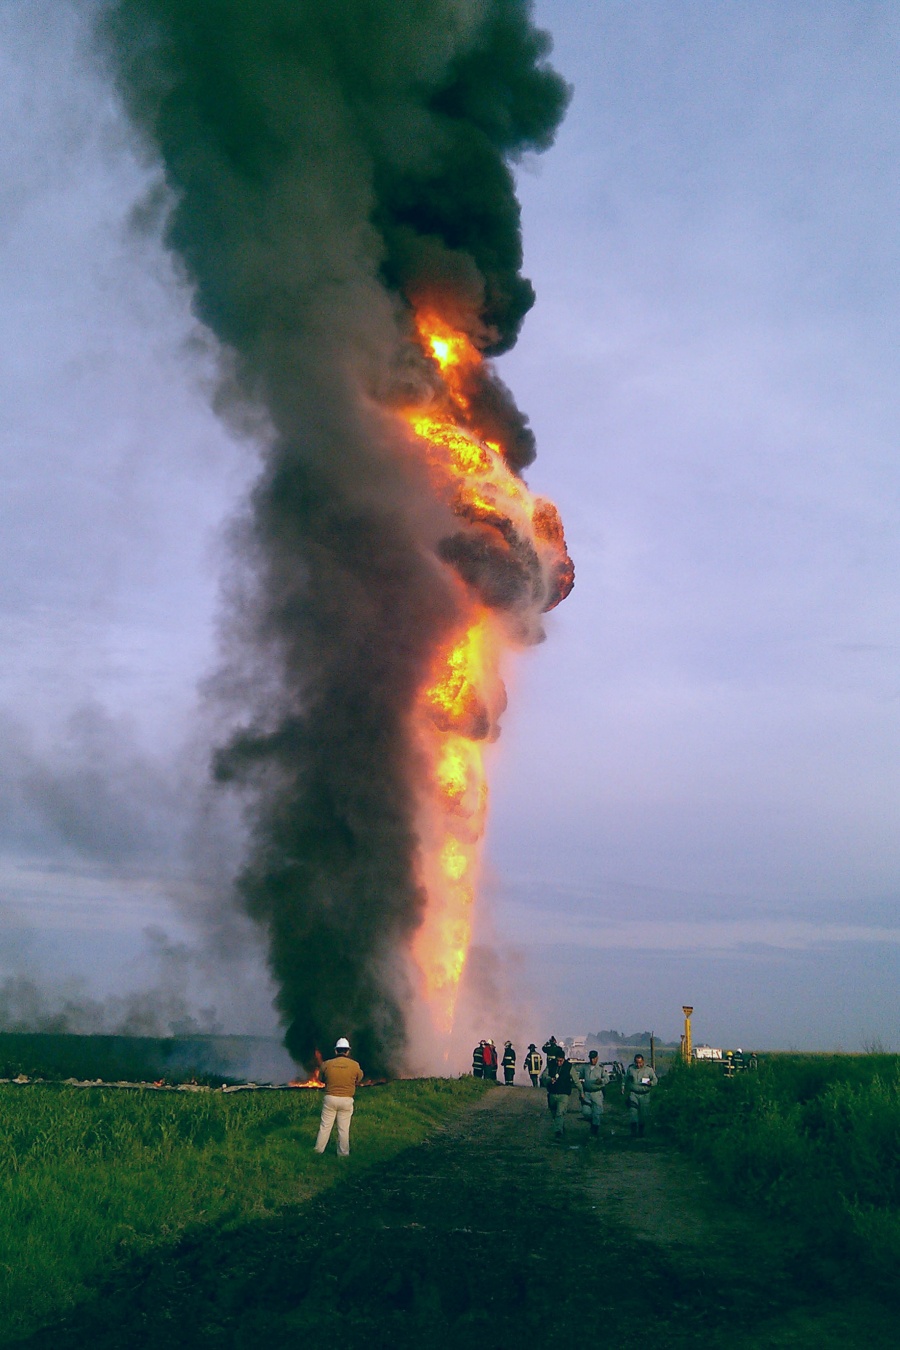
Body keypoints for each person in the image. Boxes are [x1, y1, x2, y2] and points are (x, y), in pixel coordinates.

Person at [313, 1037, 364, 1157]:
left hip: (330, 1098)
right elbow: (359, 1078)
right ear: (347, 1051)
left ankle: (318, 1151)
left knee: (325, 1127)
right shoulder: (354, 1065)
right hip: (346, 1100)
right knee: (343, 1129)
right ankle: (343, 1153)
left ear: (336, 1051)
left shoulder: (327, 1064)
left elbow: (320, 1079)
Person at [541, 1048, 576, 1139]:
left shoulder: (569, 1067)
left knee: (559, 1113)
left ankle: (558, 1133)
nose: (559, 1063)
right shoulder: (551, 1065)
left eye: (560, 1061)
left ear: (564, 1059)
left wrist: (581, 1091)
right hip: (552, 1094)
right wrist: (549, 1079)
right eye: (557, 1060)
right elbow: (543, 1075)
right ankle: (561, 1127)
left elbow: (576, 1080)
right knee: (555, 1114)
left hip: (564, 1094)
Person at [575, 1050, 609, 1137]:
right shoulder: (585, 1067)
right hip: (587, 1093)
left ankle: (595, 1131)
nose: (592, 1060)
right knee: (586, 1112)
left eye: (594, 1058)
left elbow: (607, 1079)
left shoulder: (600, 1068)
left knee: (597, 1113)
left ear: (597, 1058)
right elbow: (579, 1076)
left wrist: (601, 1081)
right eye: (591, 1058)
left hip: (597, 1093)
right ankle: (592, 1122)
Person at [624, 1052, 657, 1137]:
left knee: (643, 1115)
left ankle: (641, 1132)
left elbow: (655, 1080)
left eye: (640, 1063)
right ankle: (633, 1132)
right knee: (633, 1113)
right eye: (637, 1063)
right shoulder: (631, 1069)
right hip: (633, 1094)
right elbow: (625, 1079)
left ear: (643, 1062)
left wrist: (651, 1083)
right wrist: (623, 1088)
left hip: (645, 1094)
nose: (638, 1065)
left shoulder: (649, 1070)